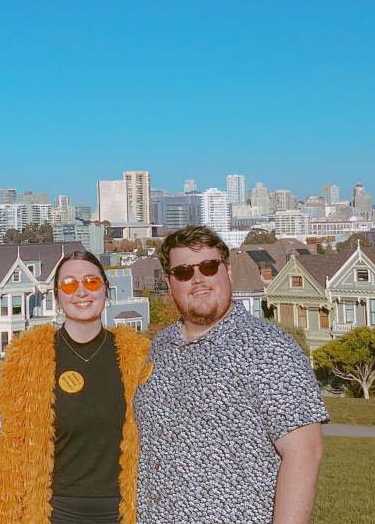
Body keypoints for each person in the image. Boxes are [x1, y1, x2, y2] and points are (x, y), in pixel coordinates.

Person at [135, 225, 329, 524]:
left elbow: (304, 453)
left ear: (227, 271)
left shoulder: (267, 347)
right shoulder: (160, 346)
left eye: (209, 267)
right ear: (170, 281)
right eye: (183, 272)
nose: (198, 279)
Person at [0, 250, 150, 524]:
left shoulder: (140, 358)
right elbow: (9, 448)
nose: (81, 291)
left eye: (92, 282)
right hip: (55, 512)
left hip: (124, 511)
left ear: (106, 290)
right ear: (58, 296)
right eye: (69, 284)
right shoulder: (26, 358)